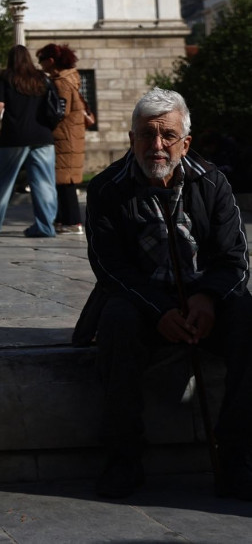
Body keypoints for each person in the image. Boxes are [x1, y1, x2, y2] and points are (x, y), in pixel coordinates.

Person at [73, 88, 252, 500]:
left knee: (248, 317)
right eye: (147, 135)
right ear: (132, 139)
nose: (157, 145)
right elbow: (110, 267)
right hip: (141, 302)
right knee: (117, 322)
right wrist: (159, 310)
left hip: (203, 300)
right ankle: (123, 457)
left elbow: (234, 259)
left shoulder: (213, 182)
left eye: (168, 135)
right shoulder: (108, 188)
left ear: (185, 143)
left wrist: (208, 298)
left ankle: (238, 454)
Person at [0, 45, 57, 237]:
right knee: (44, 184)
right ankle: (45, 226)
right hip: (43, 136)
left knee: (3, 182)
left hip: (14, 136)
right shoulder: (42, 78)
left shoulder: (5, 77)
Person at [37, 43, 91, 234]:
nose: (40, 64)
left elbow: (60, 111)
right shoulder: (70, 78)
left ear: (51, 61)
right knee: (63, 181)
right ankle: (62, 219)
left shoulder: (62, 82)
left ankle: (73, 221)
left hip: (64, 137)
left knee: (65, 181)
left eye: (41, 60)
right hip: (70, 136)